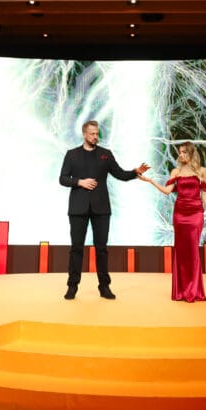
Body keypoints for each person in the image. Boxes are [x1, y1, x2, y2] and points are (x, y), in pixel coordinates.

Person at [59, 120, 149, 300]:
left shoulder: (105, 155)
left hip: (101, 209)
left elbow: (121, 174)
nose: (95, 136)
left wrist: (135, 171)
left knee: (101, 249)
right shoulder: (72, 154)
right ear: (84, 134)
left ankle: (104, 286)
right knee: (76, 248)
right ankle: (72, 286)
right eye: (92, 133)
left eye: (97, 133)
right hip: (78, 208)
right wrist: (80, 182)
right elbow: (62, 178)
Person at [140, 142, 206, 302]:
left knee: (193, 250)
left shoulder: (202, 171)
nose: (181, 155)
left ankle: (194, 291)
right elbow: (167, 191)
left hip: (196, 213)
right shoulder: (176, 171)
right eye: (180, 152)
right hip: (180, 214)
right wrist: (151, 181)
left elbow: (205, 194)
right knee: (181, 251)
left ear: (191, 154)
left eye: (184, 152)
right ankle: (181, 291)